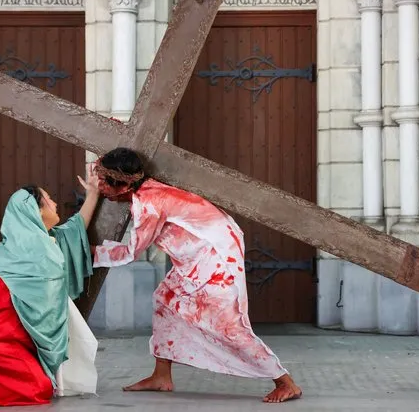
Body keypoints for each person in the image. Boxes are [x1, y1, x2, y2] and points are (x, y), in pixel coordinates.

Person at [92, 147, 303, 404]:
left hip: (215, 257)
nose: (99, 186)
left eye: (103, 181)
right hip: (197, 257)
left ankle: (284, 381)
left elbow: (130, 252)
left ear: (124, 184)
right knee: (164, 301)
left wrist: (88, 253)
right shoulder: (147, 191)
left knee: (229, 325)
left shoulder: (149, 204)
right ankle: (161, 376)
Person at [0, 170, 101, 408]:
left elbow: (74, 231)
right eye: (49, 199)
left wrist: (93, 195)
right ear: (34, 210)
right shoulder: (39, 249)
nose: (55, 203)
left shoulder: (28, 244)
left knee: (34, 380)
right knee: (39, 387)